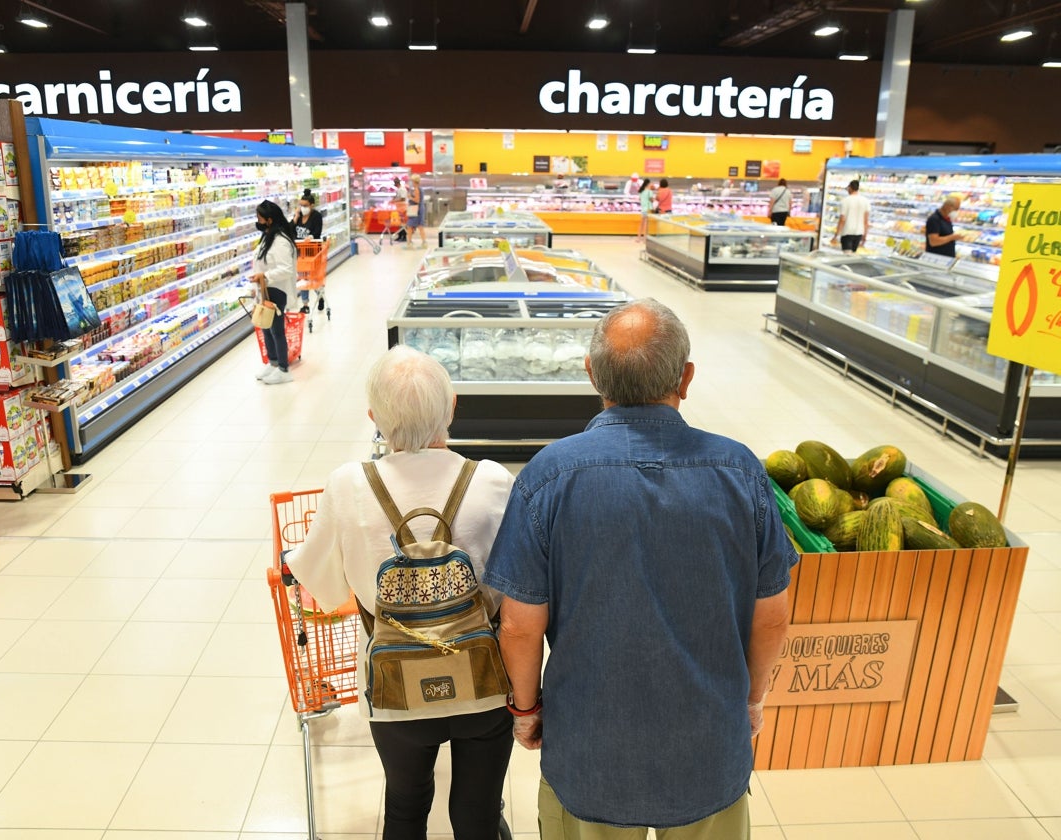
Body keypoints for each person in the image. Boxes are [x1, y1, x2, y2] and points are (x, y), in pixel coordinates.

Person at [484, 298, 797, 840]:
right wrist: (751, 702)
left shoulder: (548, 476)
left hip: (590, 752)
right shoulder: (739, 470)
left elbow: (518, 625)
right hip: (708, 748)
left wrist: (527, 710)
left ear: (591, 374)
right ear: (687, 377)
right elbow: (771, 617)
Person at [285, 345, 516, 840]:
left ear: (374, 416)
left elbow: (323, 589)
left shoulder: (347, 485)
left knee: (406, 808)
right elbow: (519, 589)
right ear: (451, 407)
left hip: (395, 690)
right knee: (477, 815)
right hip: (483, 681)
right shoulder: (494, 481)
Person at [251, 200, 298, 385]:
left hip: (277, 290)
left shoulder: (280, 241)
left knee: (276, 330)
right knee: (266, 327)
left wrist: (265, 275)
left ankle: (284, 369)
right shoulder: (268, 235)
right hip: (266, 289)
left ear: (269, 220)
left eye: (260, 218)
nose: (258, 221)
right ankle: (273, 362)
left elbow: (286, 269)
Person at [831, 179, 870, 253]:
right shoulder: (865, 201)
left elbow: (842, 219)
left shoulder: (845, 201)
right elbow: (866, 221)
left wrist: (836, 235)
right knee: (853, 256)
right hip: (859, 233)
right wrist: (865, 236)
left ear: (850, 187)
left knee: (847, 255)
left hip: (847, 232)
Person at [405, 173, 428, 248]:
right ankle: (424, 242)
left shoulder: (417, 189)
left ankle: (409, 242)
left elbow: (417, 200)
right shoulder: (419, 188)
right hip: (419, 209)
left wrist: (410, 197)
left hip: (415, 210)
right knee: (420, 226)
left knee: (410, 226)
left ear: (414, 181)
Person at [392, 176, 409, 243]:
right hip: (399, 208)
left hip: (403, 208)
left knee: (403, 223)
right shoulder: (399, 189)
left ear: (397, 183)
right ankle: (400, 235)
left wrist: (395, 201)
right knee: (400, 222)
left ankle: (404, 236)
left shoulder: (402, 189)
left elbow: (403, 198)